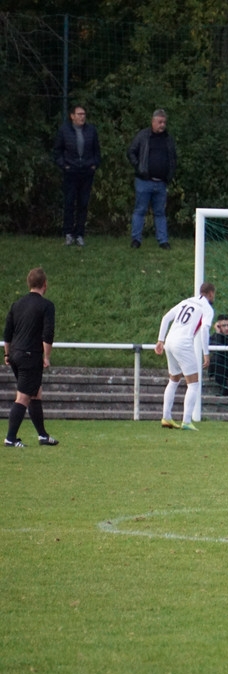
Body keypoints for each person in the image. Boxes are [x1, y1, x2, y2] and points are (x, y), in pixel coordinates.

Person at [3, 268, 58, 447]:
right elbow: (47, 334)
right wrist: (46, 357)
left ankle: (43, 435)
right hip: (30, 356)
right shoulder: (46, 306)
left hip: (15, 354)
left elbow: (7, 333)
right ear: (45, 284)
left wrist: (7, 353)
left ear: (29, 284)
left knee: (35, 393)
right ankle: (10, 438)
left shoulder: (17, 304)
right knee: (23, 397)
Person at [155, 283, 215, 430]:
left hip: (169, 341)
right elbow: (205, 330)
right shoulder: (207, 308)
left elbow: (166, 318)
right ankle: (187, 421)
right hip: (183, 343)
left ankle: (166, 417)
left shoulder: (186, 301)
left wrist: (160, 340)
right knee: (193, 383)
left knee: (174, 379)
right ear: (211, 293)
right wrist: (206, 353)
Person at [128, 109, 177, 250]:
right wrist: (139, 167)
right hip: (144, 181)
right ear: (153, 121)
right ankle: (136, 240)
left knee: (160, 212)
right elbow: (131, 151)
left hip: (161, 182)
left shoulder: (168, 139)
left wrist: (170, 174)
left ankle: (163, 241)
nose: (162, 125)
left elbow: (173, 158)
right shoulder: (143, 136)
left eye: (164, 122)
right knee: (140, 210)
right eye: (160, 122)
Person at [52, 105, 101, 247]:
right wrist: (64, 165)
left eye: (84, 114)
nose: (82, 116)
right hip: (71, 171)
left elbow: (97, 151)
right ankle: (68, 233)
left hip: (86, 172)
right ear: (72, 116)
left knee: (83, 203)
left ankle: (80, 234)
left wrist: (94, 164)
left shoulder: (91, 130)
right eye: (79, 114)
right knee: (69, 202)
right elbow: (57, 151)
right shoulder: (64, 130)